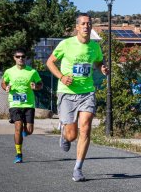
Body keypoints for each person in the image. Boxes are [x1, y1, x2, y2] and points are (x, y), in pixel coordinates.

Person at [46, 13, 108, 182]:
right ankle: (64, 134)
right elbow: (50, 62)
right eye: (83, 24)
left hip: (87, 91)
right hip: (67, 92)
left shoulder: (95, 46)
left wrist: (101, 68)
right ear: (77, 27)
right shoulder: (66, 44)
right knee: (72, 135)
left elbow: (97, 62)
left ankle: (78, 168)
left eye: (89, 23)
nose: (86, 26)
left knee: (86, 127)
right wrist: (61, 77)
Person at [1, 48, 43, 164]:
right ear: (14, 58)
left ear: (26, 58)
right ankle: (19, 154)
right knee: (18, 127)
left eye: (23, 56)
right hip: (15, 103)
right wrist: (6, 87)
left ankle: (25, 129)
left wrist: (36, 86)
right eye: (18, 56)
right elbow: (3, 82)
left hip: (29, 104)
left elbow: (40, 84)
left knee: (29, 131)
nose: (21, 58)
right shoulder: (9, 71)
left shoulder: (32, 72)